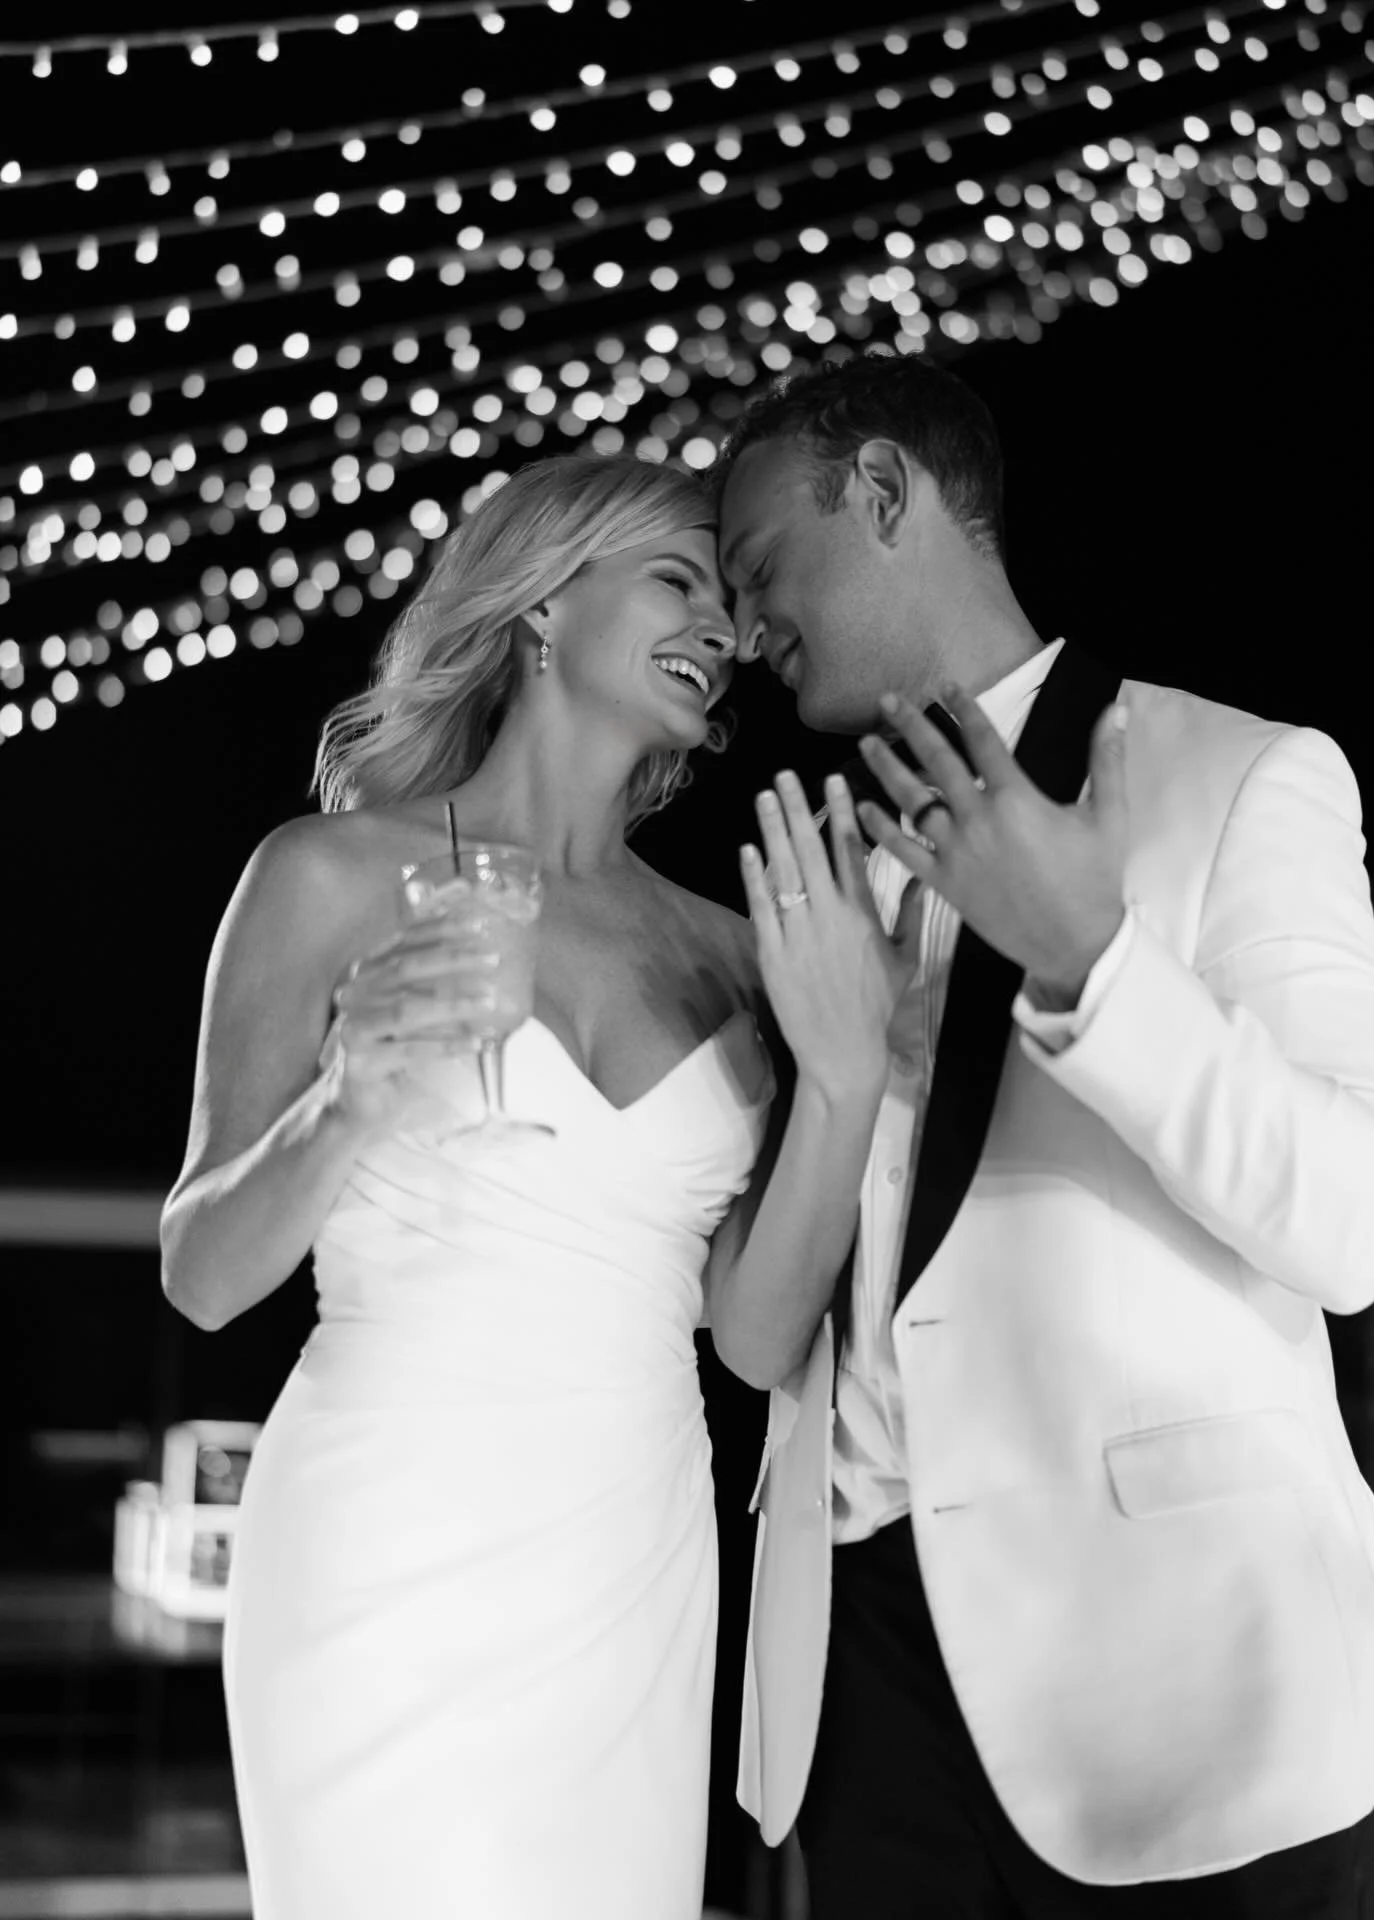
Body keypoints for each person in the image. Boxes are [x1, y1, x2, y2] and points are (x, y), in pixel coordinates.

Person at [714, 352, 1374, 1918]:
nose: (747, 626)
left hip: (1186, 1683)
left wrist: (1095, 964)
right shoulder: (813, 872)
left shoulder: (1240, 777)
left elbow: (1369, 1219)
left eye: (763, 564)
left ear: (888, 492)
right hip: (864, 1684)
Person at [159, 450, 922, 1920]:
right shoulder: (324, 876)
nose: (726, 627)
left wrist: (842, 1073)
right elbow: (202, 1271)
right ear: (539, 608)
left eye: (734, 600)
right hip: (386, 1534)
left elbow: (759, 1337)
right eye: (679, 580)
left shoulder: (728, 944)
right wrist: (350, 1098)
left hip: (631, 1551)